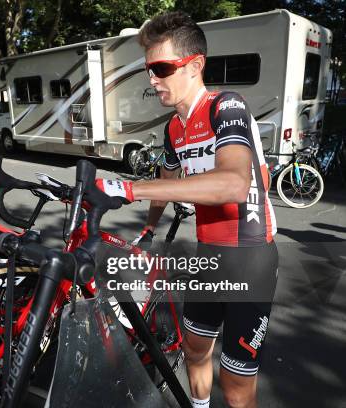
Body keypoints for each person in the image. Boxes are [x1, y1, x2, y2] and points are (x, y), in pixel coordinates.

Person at [95, 12, 277, 408]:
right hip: (210, 256)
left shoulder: (225, 106)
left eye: (161, 68)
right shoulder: (174, 127)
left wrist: (128, 188)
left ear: (195, 66)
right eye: (148, 69)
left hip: (251, 260)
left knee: (236, 384)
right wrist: (148, 228)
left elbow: (233, 182)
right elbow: (167, 179)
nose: (152, 79)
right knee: (195, 350)